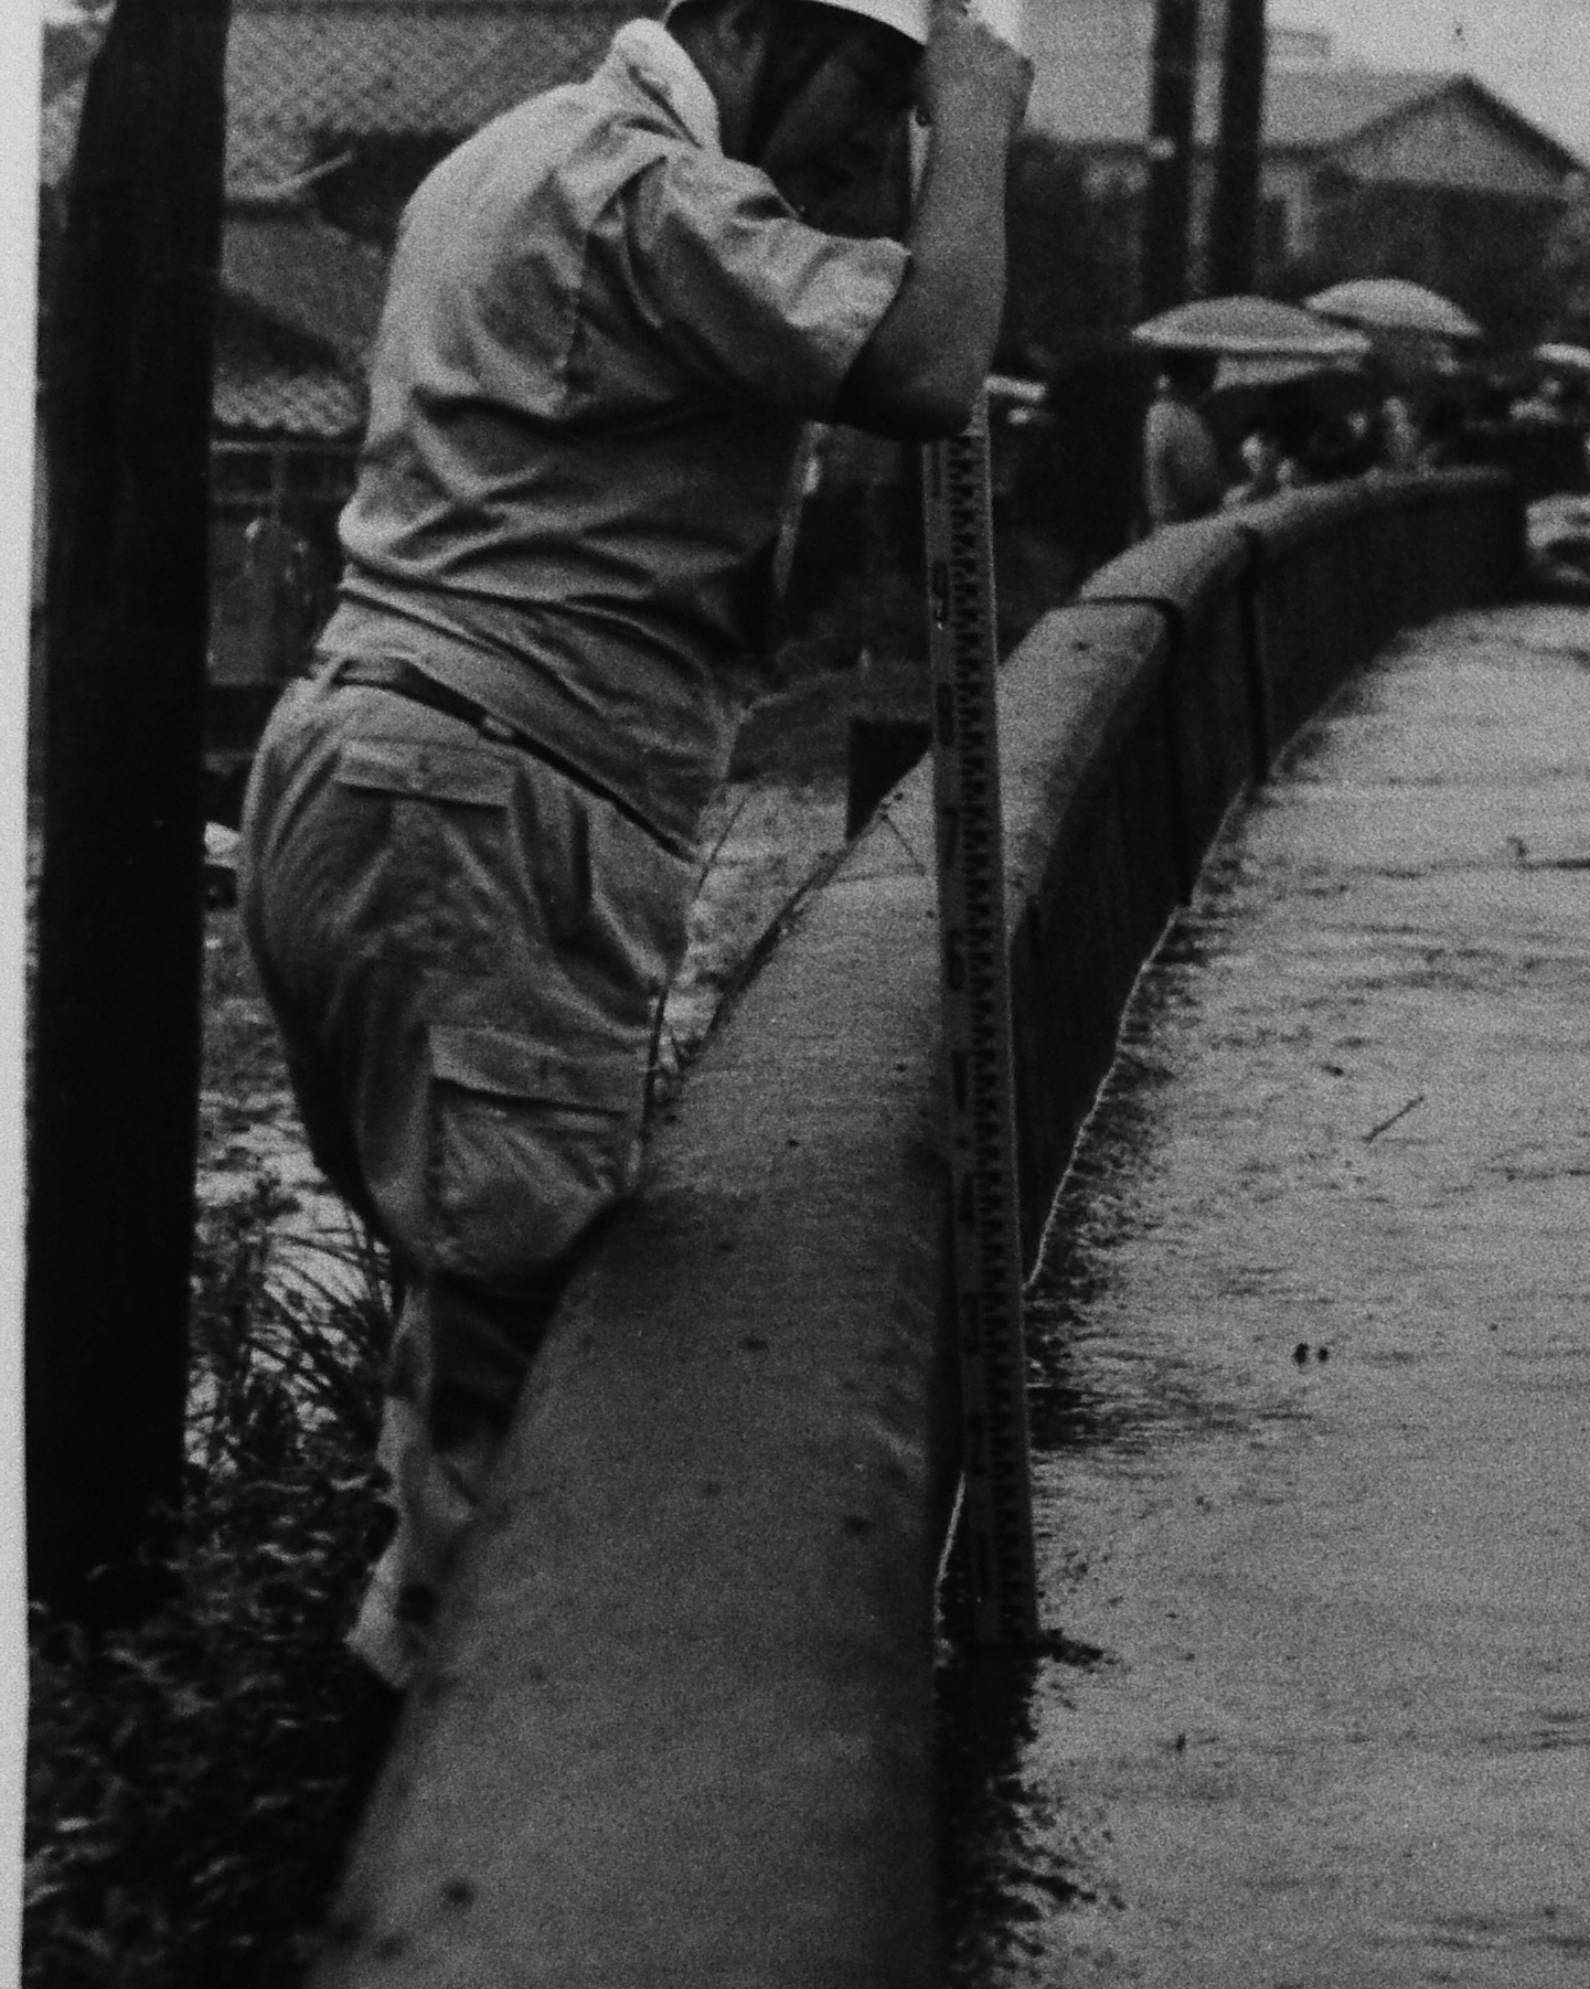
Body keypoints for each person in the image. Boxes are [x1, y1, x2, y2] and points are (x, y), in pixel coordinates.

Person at [235, 0, 1027, 1688]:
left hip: (366, 773)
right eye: (868, 85)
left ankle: (371, 1797)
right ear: (742, 22)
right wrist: (979, 130)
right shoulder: (647, 192)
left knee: (472, 1348)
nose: (873, 142)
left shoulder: (509, 155)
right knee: (525, 1406)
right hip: (494, 809)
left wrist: (901, 143)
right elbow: (929, 367)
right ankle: (459, 1868)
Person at [1140, 347, 1228, 528]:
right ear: (1198, 370)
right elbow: (1201, 489)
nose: (1216, 372)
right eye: (1212, 364)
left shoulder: (1159, 412)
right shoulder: (1177, 419)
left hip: (1174, 533)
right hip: (1190, 534)